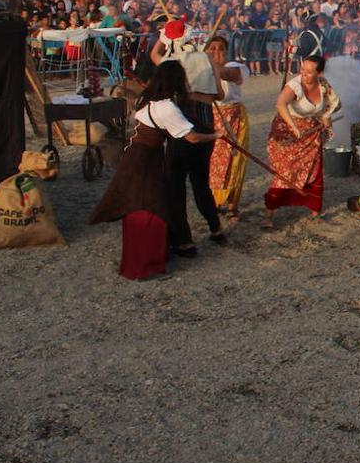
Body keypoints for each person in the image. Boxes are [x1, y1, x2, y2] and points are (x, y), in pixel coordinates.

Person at [90, 61, 219, 280]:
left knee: (145, 205)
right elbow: (192, 137)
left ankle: (158, 253)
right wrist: (216, 135)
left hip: (138, 156)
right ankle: (145, 265)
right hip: (145, 159)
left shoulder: (146, 99)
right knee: (149, 208)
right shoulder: (166, 106)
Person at [150, 19, 224, 253]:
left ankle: (185, 240)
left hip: (181, 120)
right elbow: (220, 94)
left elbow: (154, 54)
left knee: (176, 184)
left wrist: (164, 39)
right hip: (206, 118)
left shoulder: (169, 62)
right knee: (201, 181)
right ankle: (216, 229)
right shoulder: (206, 57)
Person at [263, 55, 341, 226]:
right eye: (302, 70)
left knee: (314, 170)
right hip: (287, 132)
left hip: (311, 133)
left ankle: (314, 209)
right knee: (285, 172)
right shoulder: (294, 86)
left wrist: (326, 116)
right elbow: (280, 104)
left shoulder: (323, 85)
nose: (304, 74)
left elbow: (334, 104)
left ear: (319, 73)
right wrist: (294, 127)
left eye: (309, 72)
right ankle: (268, 215)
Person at [205, 36, 249, 219]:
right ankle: (214, 202)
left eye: (221, 48)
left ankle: (232, 204)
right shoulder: (203, 70)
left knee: (235, 162)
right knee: (214, 163)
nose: (216, 52)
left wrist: (206, 65)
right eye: (212, 48)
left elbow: (228, 75)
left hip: (235, 119)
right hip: (211, 118)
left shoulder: (237, 67)